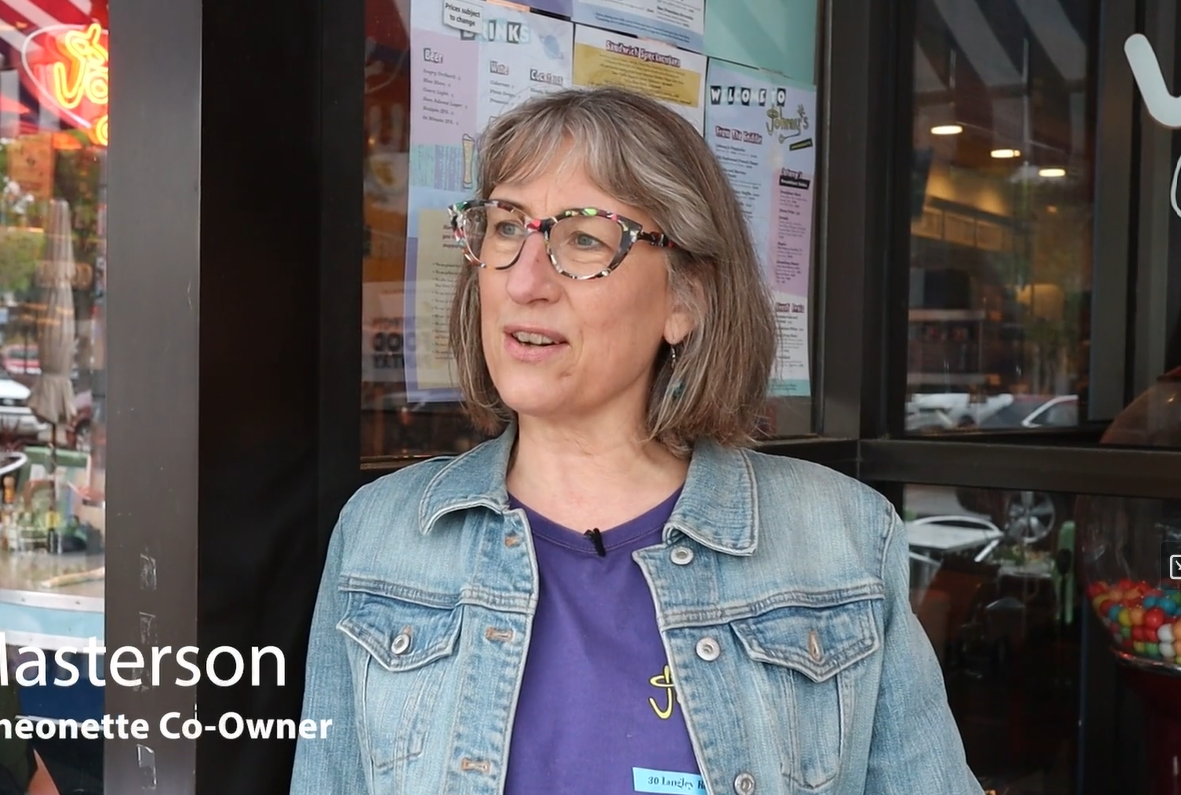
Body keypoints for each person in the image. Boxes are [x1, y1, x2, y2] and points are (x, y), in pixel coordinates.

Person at [290, 86, 983, 795]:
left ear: (687, 298)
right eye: (505, 227)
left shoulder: (840, 540)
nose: (526, 279)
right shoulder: (382, 536)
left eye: (584, 237)